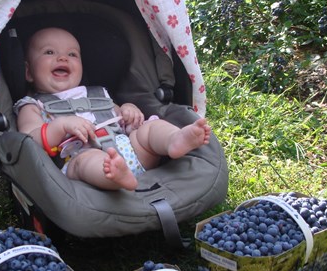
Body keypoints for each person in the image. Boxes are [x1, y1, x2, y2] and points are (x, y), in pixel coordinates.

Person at [15, 27, 211, 191]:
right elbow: (28, 142)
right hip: (80, 158)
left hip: (131, 150)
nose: (63, 58)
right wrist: (60, 126)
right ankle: (114, 177)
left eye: (72, 54)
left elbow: (120, 120)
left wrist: (128, 109)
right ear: (28, 71)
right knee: (85, 162)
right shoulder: (32, 105)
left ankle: (174, 140)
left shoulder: (98, 93)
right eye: (49, 52)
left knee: (150, 128)